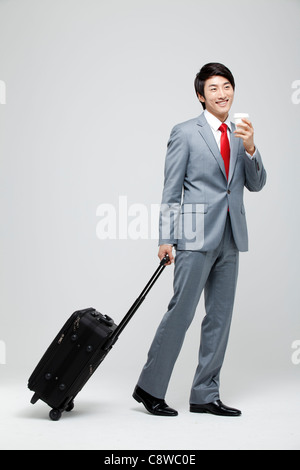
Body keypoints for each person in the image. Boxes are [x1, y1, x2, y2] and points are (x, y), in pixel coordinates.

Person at [133, 63, 267, 417]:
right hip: (193, 237)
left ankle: (205, 394)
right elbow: (171, 189)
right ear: (200, 96)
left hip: (231, 236)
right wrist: (166, 237)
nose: (222, 94)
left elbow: (256, 184)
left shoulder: (240, 134)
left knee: (219, 319)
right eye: (213, 89)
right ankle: (149, 388)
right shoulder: (185, 133)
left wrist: (251, 148)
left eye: (227, 86)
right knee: (181, 313)